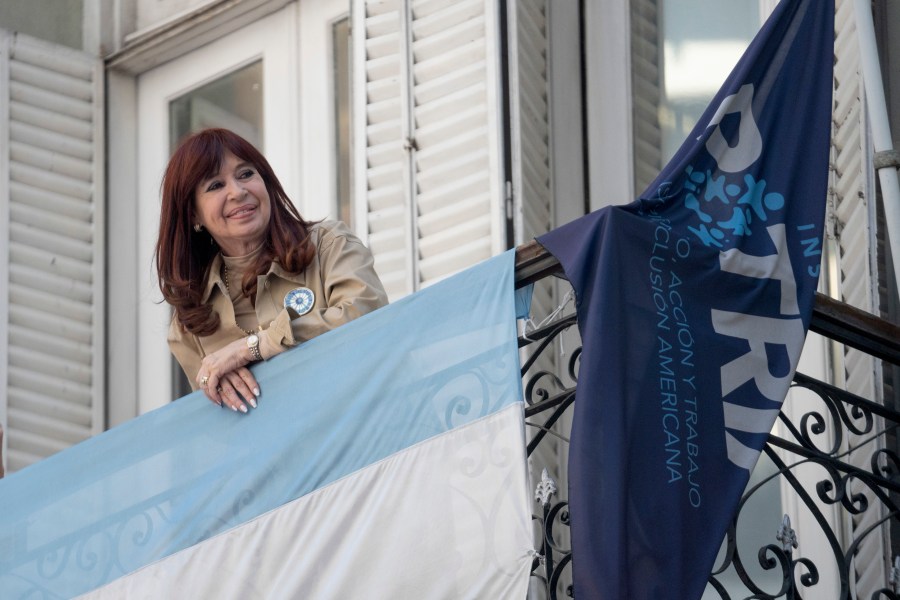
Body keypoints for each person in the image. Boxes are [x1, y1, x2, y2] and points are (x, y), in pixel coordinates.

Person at [156, 128, 388, 412]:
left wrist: (251, 348)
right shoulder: (188, 326)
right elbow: (215, 427)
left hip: (376, 431)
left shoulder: (328, 244)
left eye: (245, 174)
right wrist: (214, 388)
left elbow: (367, 315)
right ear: (193, 214)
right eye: (215, 185)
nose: (238, 192)